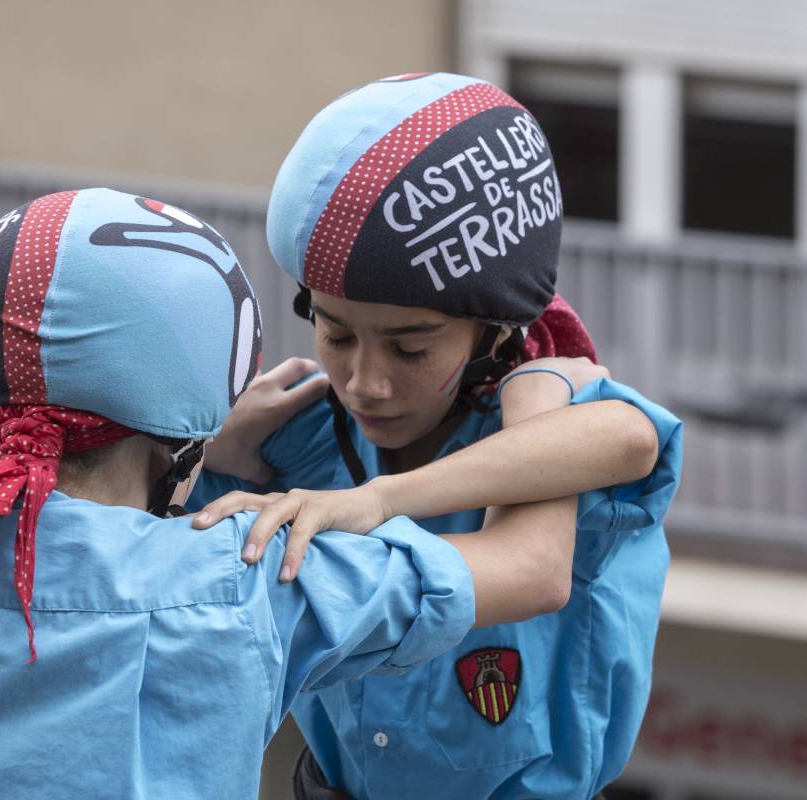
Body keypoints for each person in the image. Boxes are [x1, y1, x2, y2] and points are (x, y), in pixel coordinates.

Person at [0, 187, 596, 799]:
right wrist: (543, 382)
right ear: (182, 434)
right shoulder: (243, 578)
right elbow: (533, 566)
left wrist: (11, 422)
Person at [182, 73, 685, 799]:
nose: (365, 382)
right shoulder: (301, 435)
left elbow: (631, 440)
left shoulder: (545, 409)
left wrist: (382, 500)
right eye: (336, 333)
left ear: (495, 329)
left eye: (411, 348)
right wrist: (206, 442)